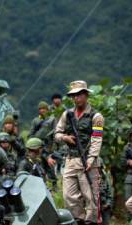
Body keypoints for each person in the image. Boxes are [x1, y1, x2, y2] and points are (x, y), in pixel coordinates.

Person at [55, 80, 104, 225]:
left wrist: (91, 159)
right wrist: (65, 138)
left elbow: (96, 140)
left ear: (86, 95)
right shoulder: (67, 114)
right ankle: (78, 220)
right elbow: (57, 133)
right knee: (69, 195)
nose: (76, 98)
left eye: (79, 94)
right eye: (74, 95)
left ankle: (91, 221)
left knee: (91, 196)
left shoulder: (96, 116)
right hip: (70, 159)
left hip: (88, 161)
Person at [99, 158, 113, 225]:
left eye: (99, 167)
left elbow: (109, 194)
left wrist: (107, 204)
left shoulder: (105, 179)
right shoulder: (86, 178)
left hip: (104, 207)